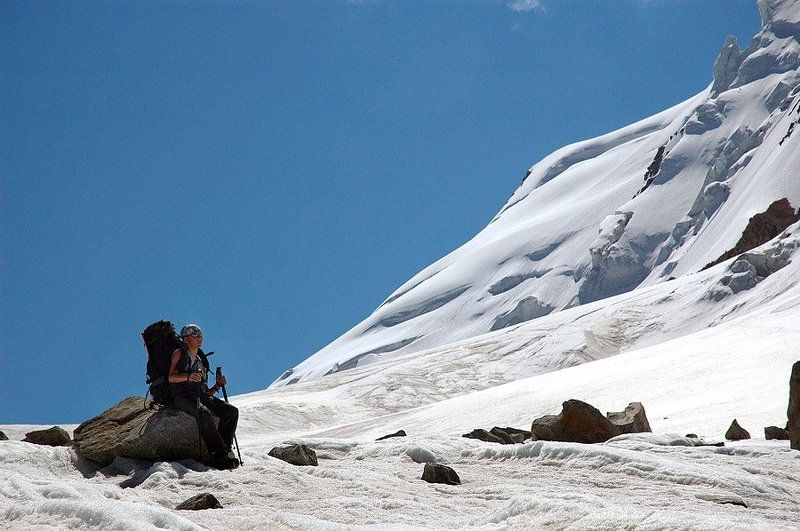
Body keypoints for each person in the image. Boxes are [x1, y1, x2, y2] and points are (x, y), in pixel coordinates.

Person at [168, 323, 239, 470]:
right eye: (195, 336)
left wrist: (217, 386)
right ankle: (218, 455)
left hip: (200, 395)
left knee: (231, 412)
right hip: (181, 396)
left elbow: (203, 391)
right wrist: (188, 377)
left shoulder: (200, 361)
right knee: (203, 413)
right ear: (186, 339)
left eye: (200, 335)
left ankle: (225, 450)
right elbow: (170, 377)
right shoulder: (179, 354)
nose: (199, 338)